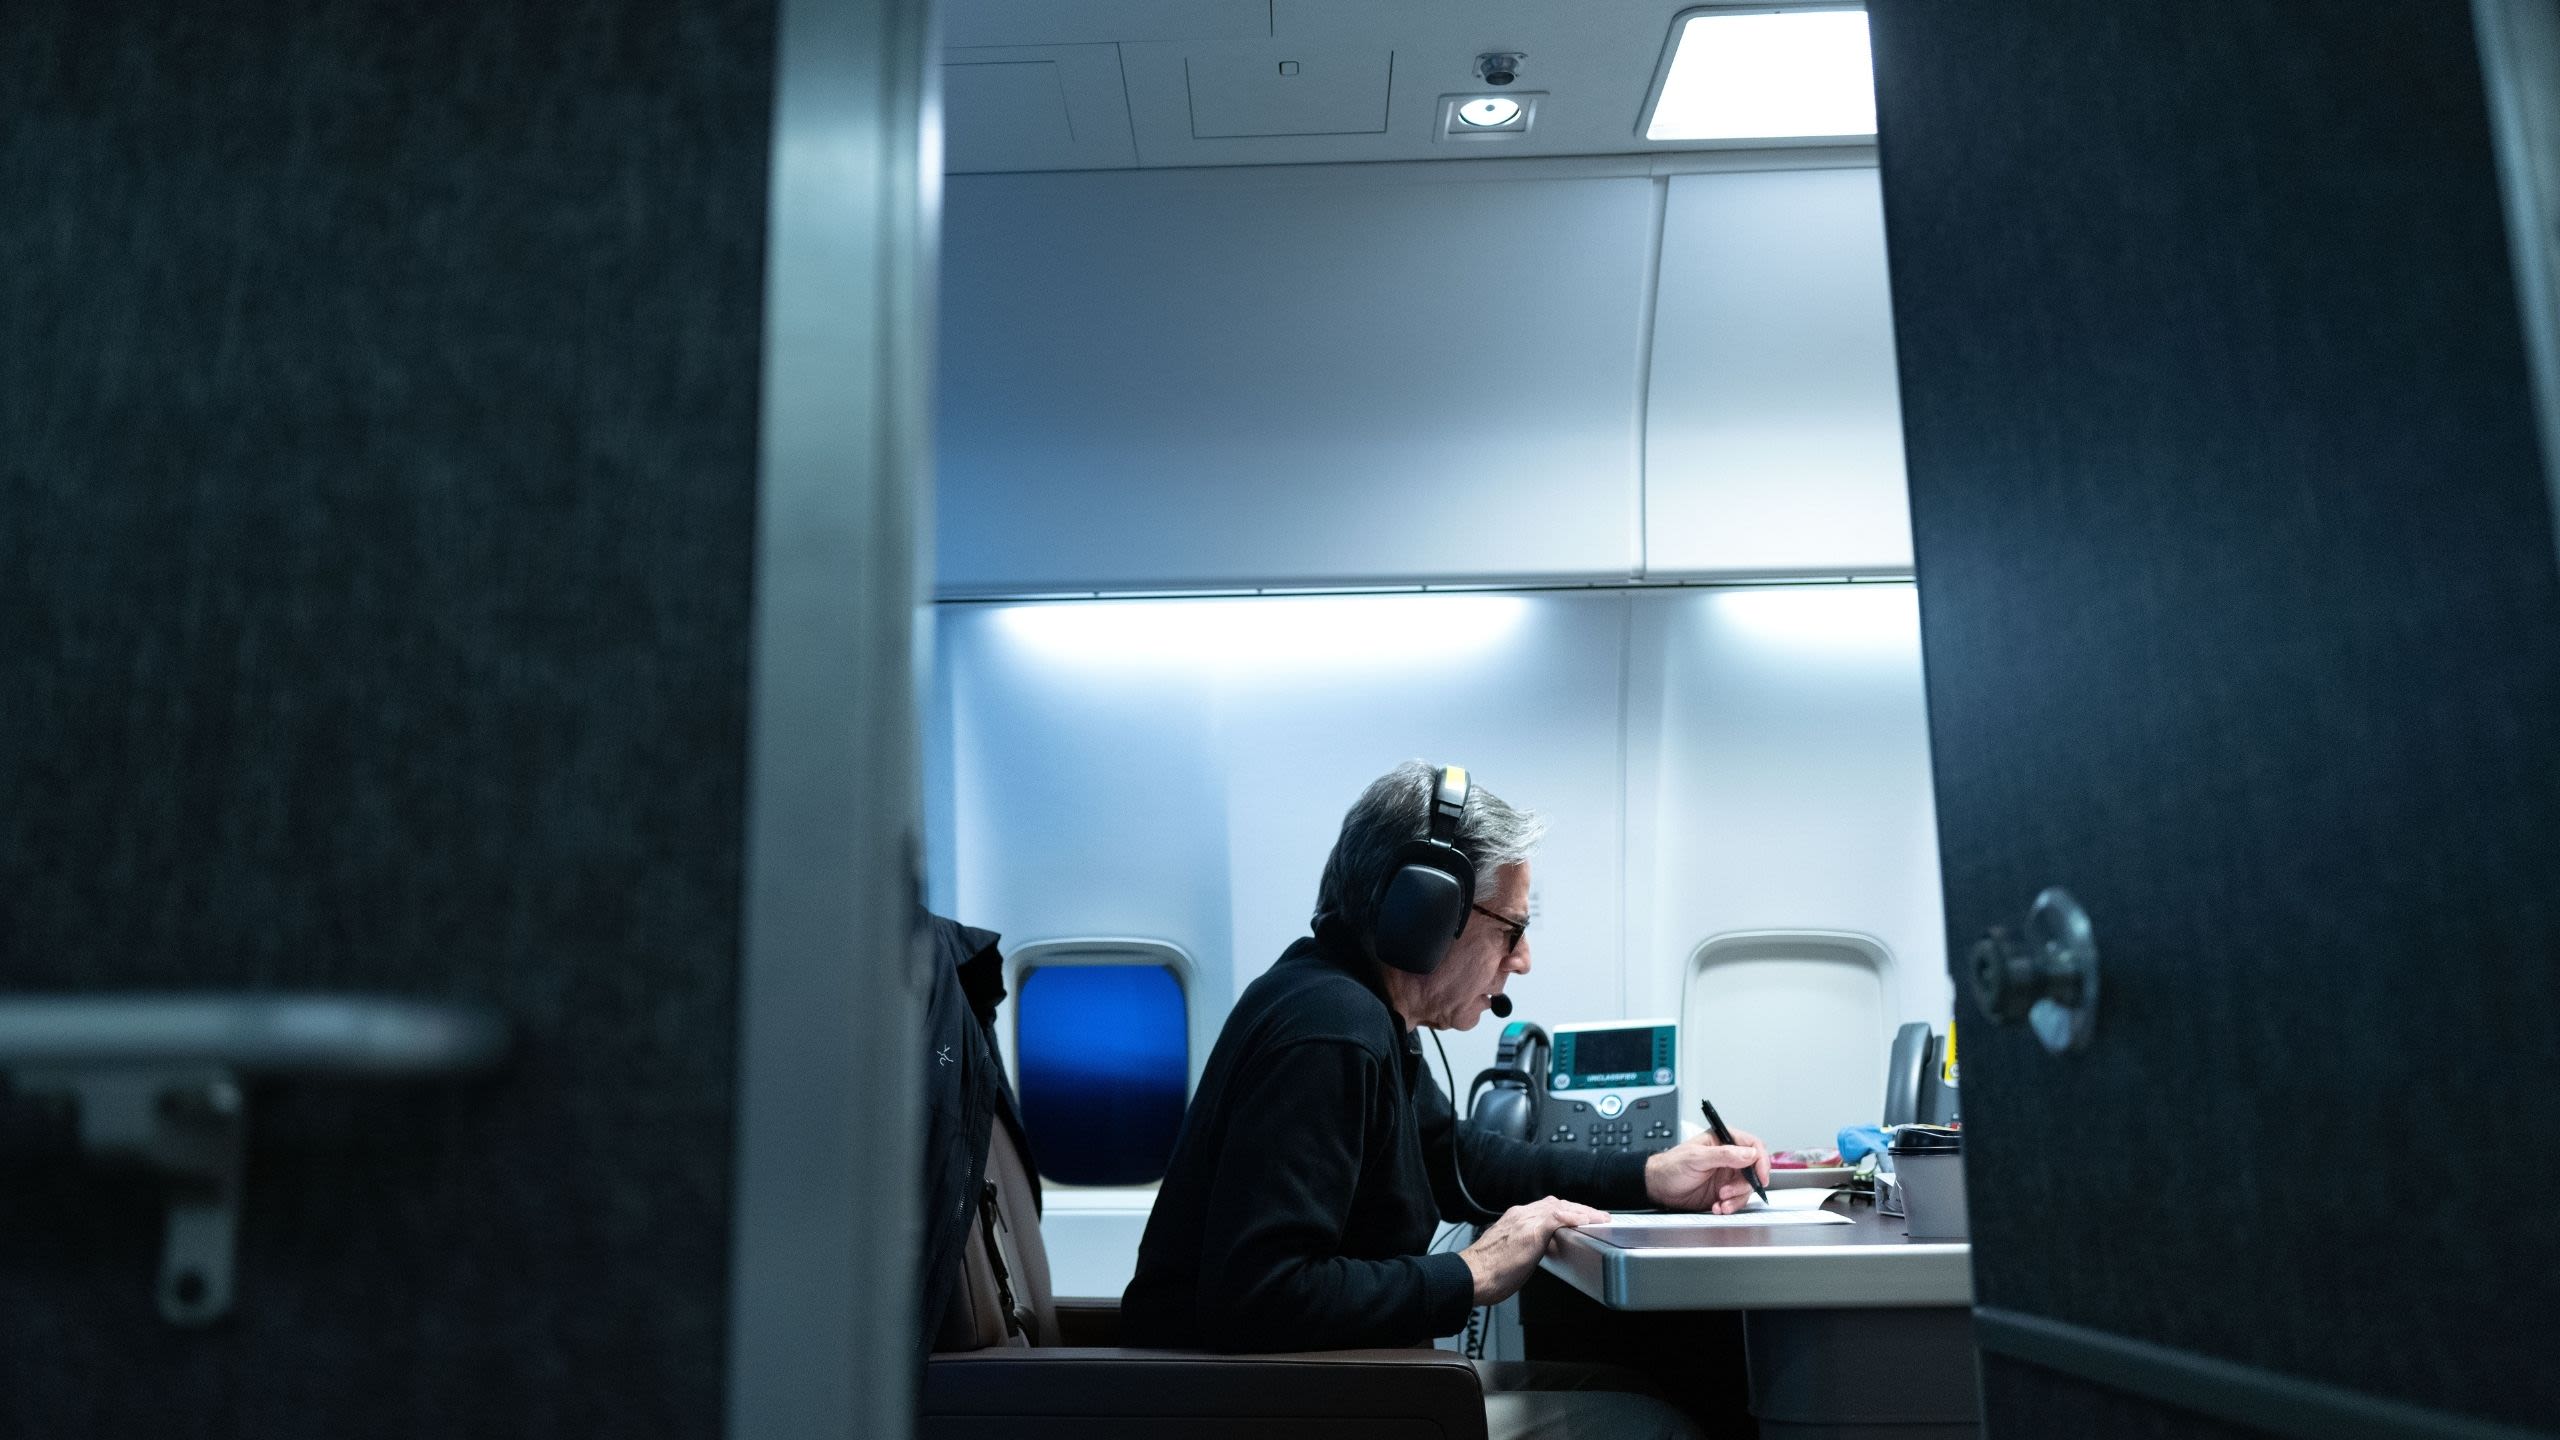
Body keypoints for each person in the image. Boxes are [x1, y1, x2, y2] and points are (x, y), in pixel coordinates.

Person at [1122, 761, 1770, 1440]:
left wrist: (1650, 1176)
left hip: (1309, 1384)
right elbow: (1262, 1294)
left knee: (1634, 1391)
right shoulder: (1331, 1031)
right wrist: (1472, 1272)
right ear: (1426, 911)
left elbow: (1458, 1159)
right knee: (1654, 1424)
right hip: (1257, 1405)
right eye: (1511, 929)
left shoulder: (1360, 1013)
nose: (1523, 959)